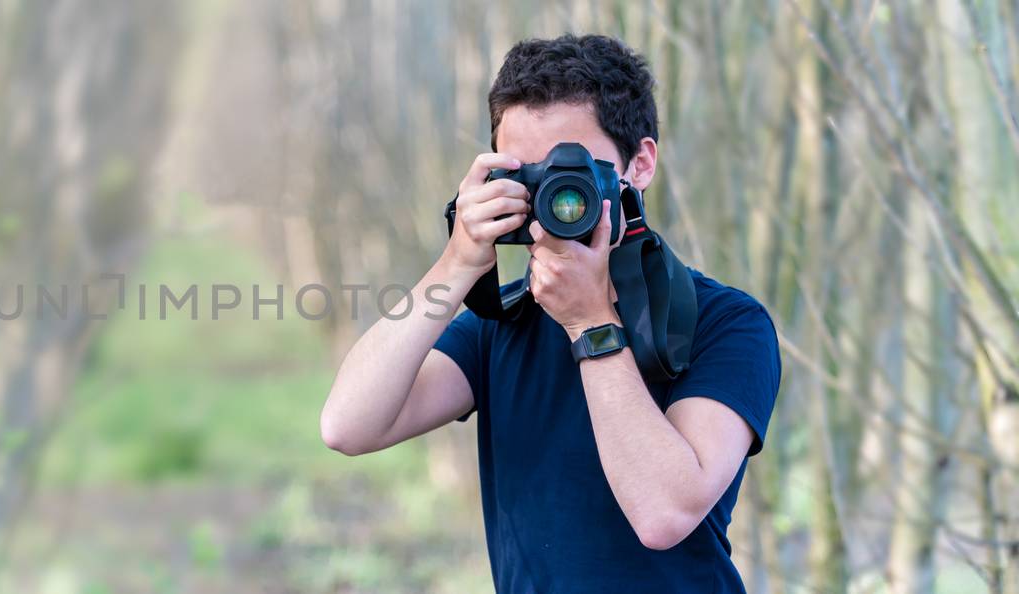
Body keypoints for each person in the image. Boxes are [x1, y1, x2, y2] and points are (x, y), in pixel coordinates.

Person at [319, 34, 781, 592]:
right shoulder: (500, 324)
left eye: (572, 171)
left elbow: (664, 513)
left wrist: (590, 325)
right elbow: (348, 425)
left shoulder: (727, 324)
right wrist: (457, 263)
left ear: (640, 164)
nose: (551, 201)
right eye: (526, 178)